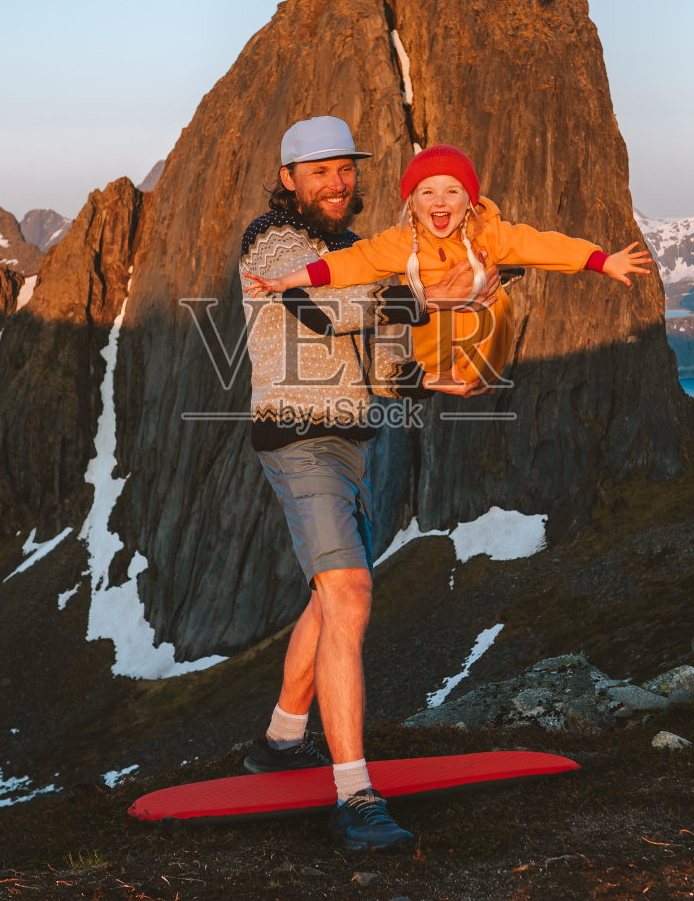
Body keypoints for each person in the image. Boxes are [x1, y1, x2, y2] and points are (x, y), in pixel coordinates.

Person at [239, 116, 498, 852]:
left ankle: (282, 742)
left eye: (345, 168)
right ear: (289, 178)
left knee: (330, 597)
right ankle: (354, 796)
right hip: (296, 437)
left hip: (356, 439)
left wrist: (440, 378)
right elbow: (322, 311)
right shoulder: (275, 243)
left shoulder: (356, 250)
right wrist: (430, 296)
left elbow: (382, 358)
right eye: (318, 171)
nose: (337, 181)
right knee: (351, 591)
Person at [246, 144, 653, 386]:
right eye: (427, 192)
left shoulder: (490, 235)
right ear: (412, 203)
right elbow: (348, 264)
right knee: (425, 312)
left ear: (469, 201)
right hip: (430, 353)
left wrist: (599, 261)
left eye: (452, 191)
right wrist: (287, 281)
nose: (439, 202)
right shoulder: (399, 242)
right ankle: (445, 370)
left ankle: (475, 369)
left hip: (482, 346)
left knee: (496, 301)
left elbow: (542, 245)